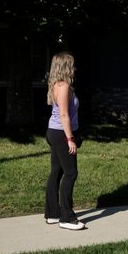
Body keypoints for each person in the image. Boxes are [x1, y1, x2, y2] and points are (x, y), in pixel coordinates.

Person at [44, 52, 85, 230]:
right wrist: (70, 139)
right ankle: (67, 218)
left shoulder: (56, 85)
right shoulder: (64, 86)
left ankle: (53, 213)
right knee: (71, 173)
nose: (74, 68)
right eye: (72, 65)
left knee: (57, 172)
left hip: (54, 131)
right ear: (65, 67)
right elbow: (63, 115)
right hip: (61, 133)